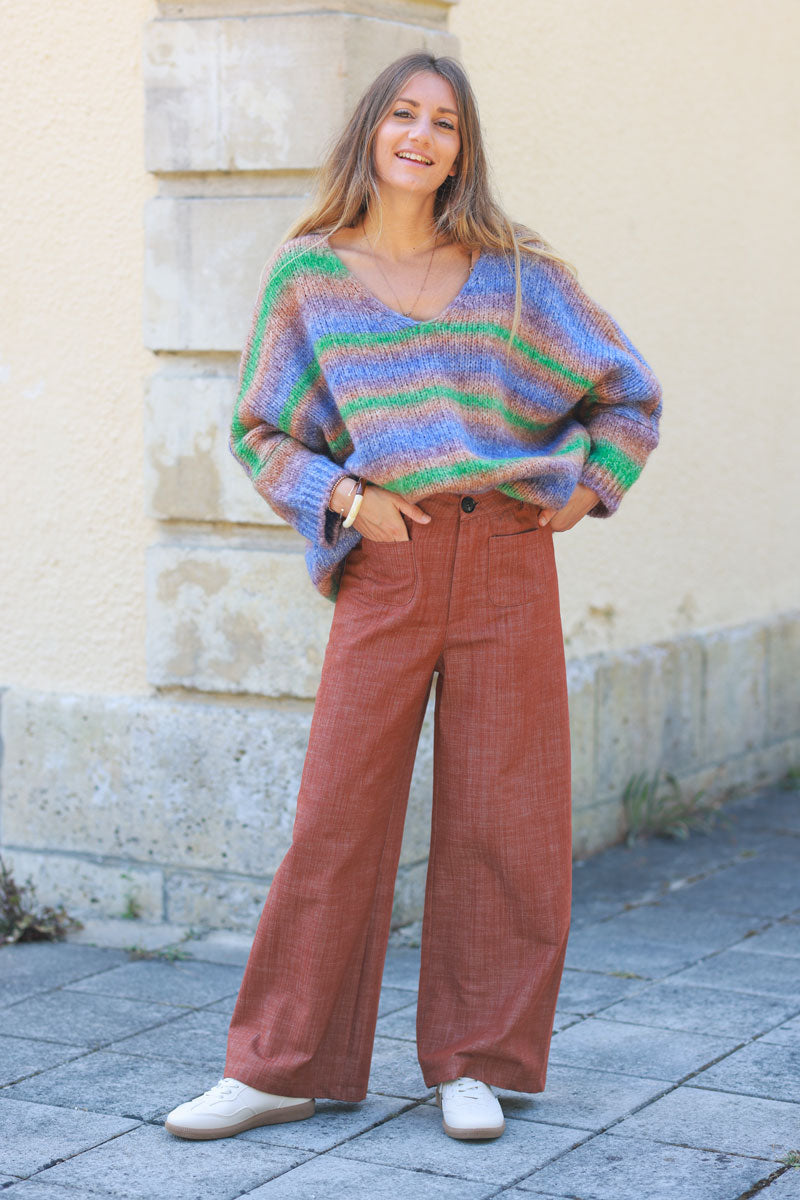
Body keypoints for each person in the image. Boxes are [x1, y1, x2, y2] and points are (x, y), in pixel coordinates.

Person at [165, 50, 662, 1143]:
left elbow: (626, 392)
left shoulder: (515, 274)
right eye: (403, 113)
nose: (421, 135)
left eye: (444, 121)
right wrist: (343, 495)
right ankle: (279, 1064)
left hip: (506, 558)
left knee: (505, 815)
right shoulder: (309, 277)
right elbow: (260, 430)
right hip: (387, 559)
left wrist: (587, 492)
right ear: (371, 132)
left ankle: (474, 1062)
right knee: (335, 817)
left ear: (461, 150)